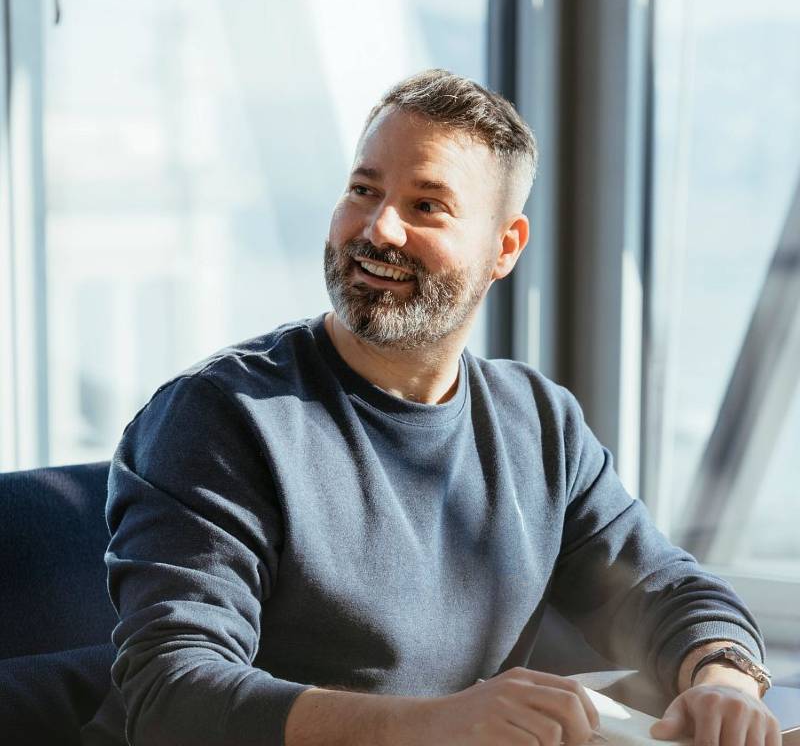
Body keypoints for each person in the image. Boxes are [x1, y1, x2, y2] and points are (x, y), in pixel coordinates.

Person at [83, 70, 780, 746]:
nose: (378, 228)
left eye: (426, 206)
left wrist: (724, 681)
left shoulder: (539, 423)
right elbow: (171, 695)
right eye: (363, 189)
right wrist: (438, 725)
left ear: (504, 248)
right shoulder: (219, 418)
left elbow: (667, 589)